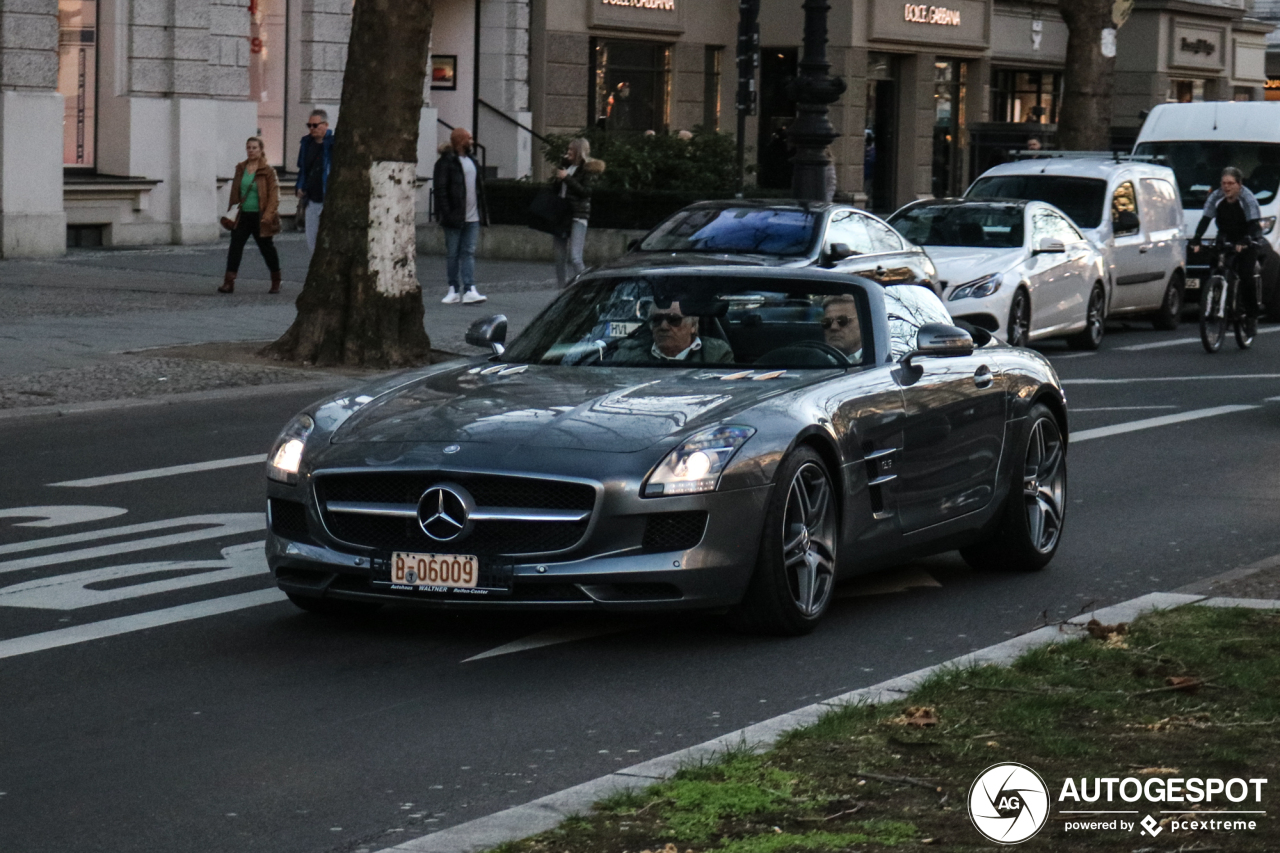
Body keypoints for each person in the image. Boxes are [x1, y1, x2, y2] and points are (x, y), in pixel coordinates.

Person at [1191, 166, 1264, 316]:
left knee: (1245, 274)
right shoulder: (1216, 197)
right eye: (1224, 183)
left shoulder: (1247, 199)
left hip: (1247, 237)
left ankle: (1251, 315)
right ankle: (1216, 298)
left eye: (1231, 183)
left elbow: (1254, 224)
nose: (1226, 187)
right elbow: (1205, 219)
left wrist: (1246, 240)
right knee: (1215, 265)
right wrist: (1196, 238)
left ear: (1239, 184)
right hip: (1226, 235)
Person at [219, 136, 281, 294]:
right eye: (249, 148)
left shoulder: (268, 171)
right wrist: (231, 212)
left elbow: (274, 196)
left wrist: (267, 216)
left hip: (260, 216)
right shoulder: (241, 168)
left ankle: (276, 280)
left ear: (261, 150)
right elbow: (235, 192)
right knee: (235, 247)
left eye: (254, 148)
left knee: (267, 249)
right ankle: (229, 282)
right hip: (243, 215)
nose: (251, 150)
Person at [433, 126, 488, 305]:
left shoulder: (472, 160)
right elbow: (440, 191)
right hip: (454, 217)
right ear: (460, 141)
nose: (472, 142)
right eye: (469, 139)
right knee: (453, 254)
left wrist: (481, 212)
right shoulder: (445, 163)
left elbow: (479, 188)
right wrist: (447, 214)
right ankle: (453, 289)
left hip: (472, 217)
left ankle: (470, 288)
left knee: (468, 252)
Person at [551, 137, 606, 287]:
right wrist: (560, 176)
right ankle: (561, 288)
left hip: (577, 214)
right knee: (559, 256)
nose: (568, 152)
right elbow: (556, 190)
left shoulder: (588, 169)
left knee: (575, 256)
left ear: (578, 152)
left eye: (571, 150)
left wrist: (567, 178)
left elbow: (585, 192)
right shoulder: (566, 167)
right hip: (562, 213)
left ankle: (586, 285)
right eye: (568, 149)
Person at [606, 301, 734, 364]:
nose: (664, 326)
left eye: (673, 319)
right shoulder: (627, 355)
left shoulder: (717, 354)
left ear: (693, 326)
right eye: (656, 320)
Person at [295, 109, 333, 252]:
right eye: (309, 125)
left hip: (326, 198)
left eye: (315, 125)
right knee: (311, 240)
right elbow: (302, 168)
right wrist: (300, 186)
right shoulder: (306, 143)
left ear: (325, 125)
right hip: (310, 198)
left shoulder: (332, 144)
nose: (312, 129)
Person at [820, 294, 863, 361]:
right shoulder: (814, 360)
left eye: (842, 321)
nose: (833, 327)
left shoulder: (878, 360)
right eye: (827, 322)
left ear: (862, 323)